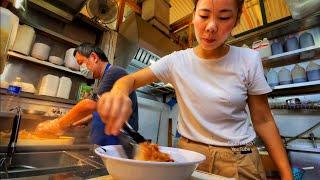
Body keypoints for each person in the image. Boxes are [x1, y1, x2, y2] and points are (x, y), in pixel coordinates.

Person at [95, 0, 293, 179]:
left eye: (224, 17)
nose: (211, 26)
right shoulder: (177, 61)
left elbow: (263, 120)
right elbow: (129, 80)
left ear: (236, 19)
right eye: (204, 15)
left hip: (238, 161)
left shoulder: (248, 59)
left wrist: (286, 174)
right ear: (194, 15)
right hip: (188, 160)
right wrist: (119, 93)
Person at [34, 43, 139, 146]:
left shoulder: (114, 72)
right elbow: (99, 108)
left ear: (94, 57)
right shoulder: (104, 77)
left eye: (81, 63)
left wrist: (57, 124)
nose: (82, 69)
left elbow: (90, 105)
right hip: (112, 137)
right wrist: (77, 123)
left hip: (121, 137)